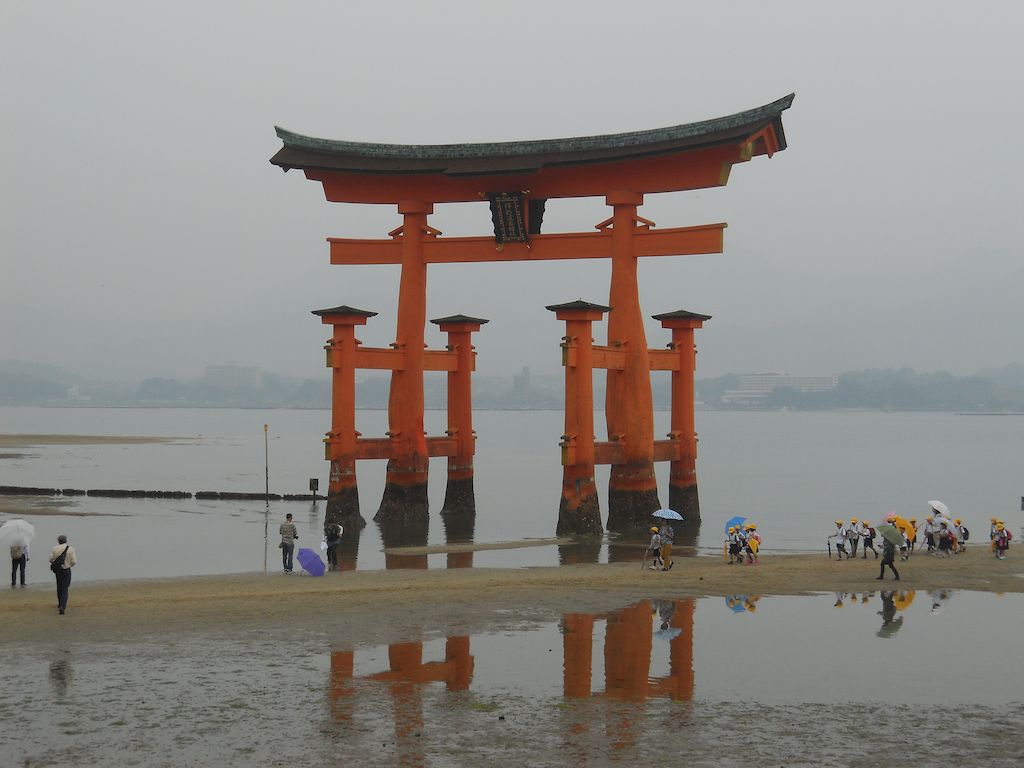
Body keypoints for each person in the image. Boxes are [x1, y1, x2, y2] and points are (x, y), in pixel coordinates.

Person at [48, 535, 77, 614]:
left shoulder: (55, 548)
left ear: (58, 541)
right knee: (65, 588)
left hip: (58, 570)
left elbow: (50, 559)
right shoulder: (71, 549)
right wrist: (69, 565)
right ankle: (62, 606)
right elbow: (74, 561)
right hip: (66, 570)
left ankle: (60, 603)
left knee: (59, 586)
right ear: (66, 540)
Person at [877, 517, 900, 581]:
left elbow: (885, 536)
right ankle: (896, 576)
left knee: (884, 563)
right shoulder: (892, 529)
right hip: (890, 549)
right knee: (890, 565)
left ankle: (882, 576)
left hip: (889, 550)